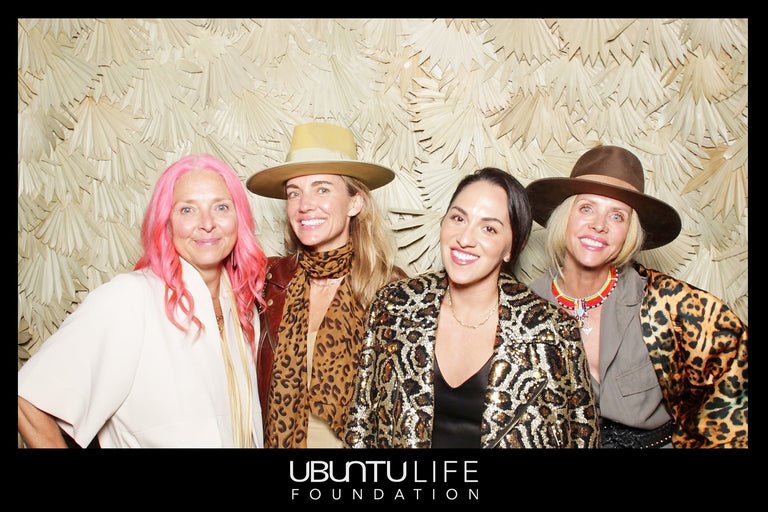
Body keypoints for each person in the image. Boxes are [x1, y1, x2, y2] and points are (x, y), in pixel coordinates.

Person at [18, 154, 268, 448]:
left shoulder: (243, 306)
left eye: (221, 207)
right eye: (187, 210)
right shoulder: (131, 299)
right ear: (166, 222)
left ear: (239, 218)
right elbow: (28, 399)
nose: (207, 224)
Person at [344, 168, 599, 448]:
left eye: (489, 228)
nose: (465, 238)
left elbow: (582, 435)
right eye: (458, 218)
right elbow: (361, 421)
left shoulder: (553, 332)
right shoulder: (394, 305)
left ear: (511, 247)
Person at [526, 145, 748, 448]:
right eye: (587, 208)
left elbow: (734, 387)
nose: (599, 225)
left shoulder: (669, 303)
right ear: (565, 216)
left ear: (629, 232)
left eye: (617, 216)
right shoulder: (527, 309)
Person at [247, 122, 405, 448]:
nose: (305, 205)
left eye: (322, 189)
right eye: (294, 192)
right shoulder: (268, 281)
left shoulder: (391, 289)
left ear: (355, 203)